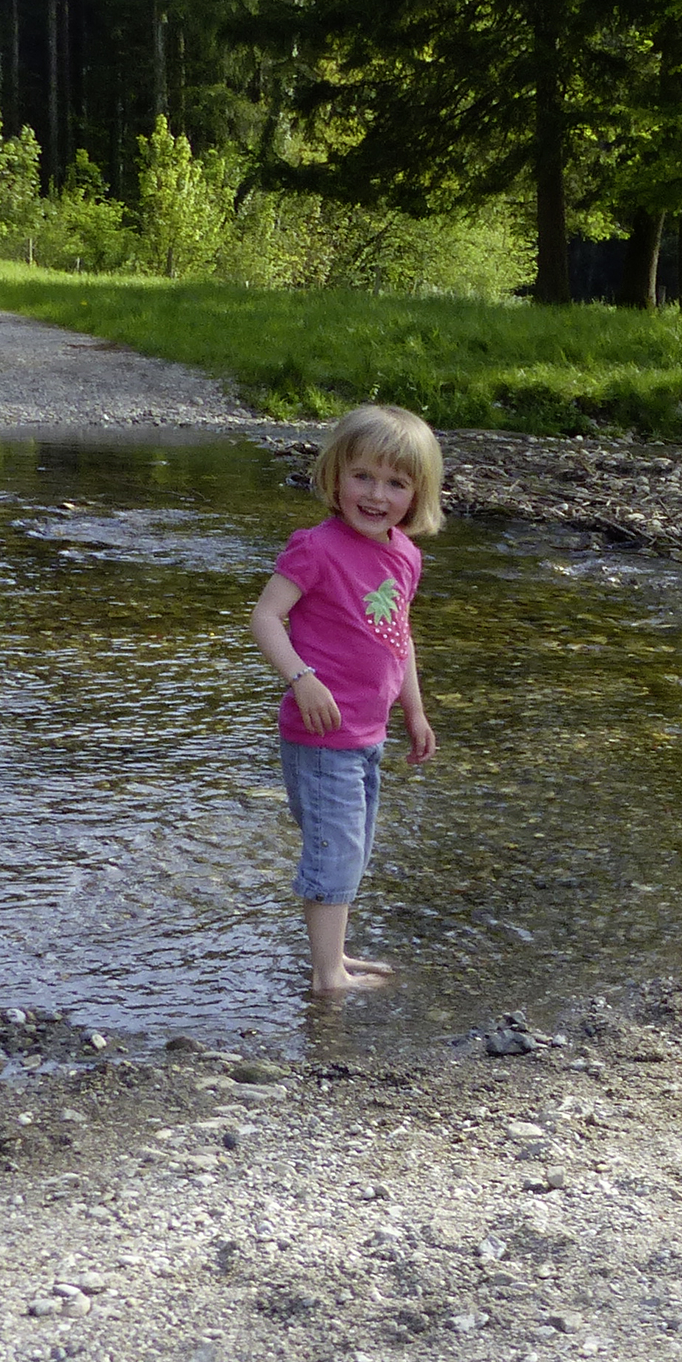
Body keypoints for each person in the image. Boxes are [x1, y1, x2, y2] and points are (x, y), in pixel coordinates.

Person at [250, 405, 442, 994]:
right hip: (321, 734)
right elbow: (265, 617)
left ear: (417, 494)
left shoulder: (405, 555)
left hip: (368, 734)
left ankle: (332, 953)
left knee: (351, 850)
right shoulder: (317, 547)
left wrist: (414, 710)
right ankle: (328, 975)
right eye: (363, 476)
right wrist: (301, 678)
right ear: (336, 477)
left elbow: (399, 637)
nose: (377, 495)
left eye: (396, 483)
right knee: (333, 851)